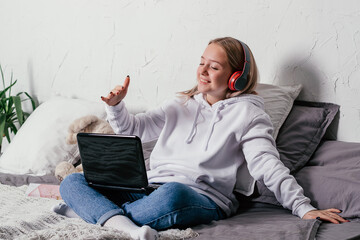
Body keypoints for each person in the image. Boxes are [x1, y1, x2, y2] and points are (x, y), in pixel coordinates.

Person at [58, 37, 348, 240]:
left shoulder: (249, 115)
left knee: (172, 194)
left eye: (214, 66)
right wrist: (116, 107)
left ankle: (93, 213)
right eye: (202, 62)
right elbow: (133, 129)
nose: (203, 71)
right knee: (72, 181)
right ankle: (128, 228)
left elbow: (266, 165)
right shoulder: (180, 104)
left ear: (236, 77)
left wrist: (304, 208)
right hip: (150, 189)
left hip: (199, 196)